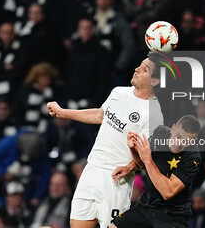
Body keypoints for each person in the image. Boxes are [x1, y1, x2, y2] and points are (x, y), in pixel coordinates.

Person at [47, 52, 164, 228]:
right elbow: (99, 115)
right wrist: (63, 112)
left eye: (144, 69)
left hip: (115, 179)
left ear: (155, 81)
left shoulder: (154, 113)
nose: (137, 69)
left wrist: (129, 166)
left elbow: (144, 159)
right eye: (140, 65)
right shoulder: (119, 92)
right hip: (92, 169)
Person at [111, 115, 201, 228]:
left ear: (194, 141)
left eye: (186, 141)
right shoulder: (160, 132)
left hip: (172, 216)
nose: (179, 143)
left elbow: (167, 192)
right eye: (178, 136)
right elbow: (141, 163)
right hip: (146, 206)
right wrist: (130, 160)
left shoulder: (193, 157)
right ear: (172, 129)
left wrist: (148, 160)